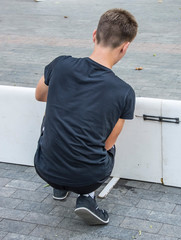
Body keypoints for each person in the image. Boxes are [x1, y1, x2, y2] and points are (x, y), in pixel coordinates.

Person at [34, 8, 138, 225]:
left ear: (94, 35)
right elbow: (108, 144)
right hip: (88, 177)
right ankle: (87, 197)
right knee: (107, 144)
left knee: (51, 117)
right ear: (125, 47)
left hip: (44, 167)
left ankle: (59, 188)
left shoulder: (60, 64)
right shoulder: (124, 92)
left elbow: (40, 95)